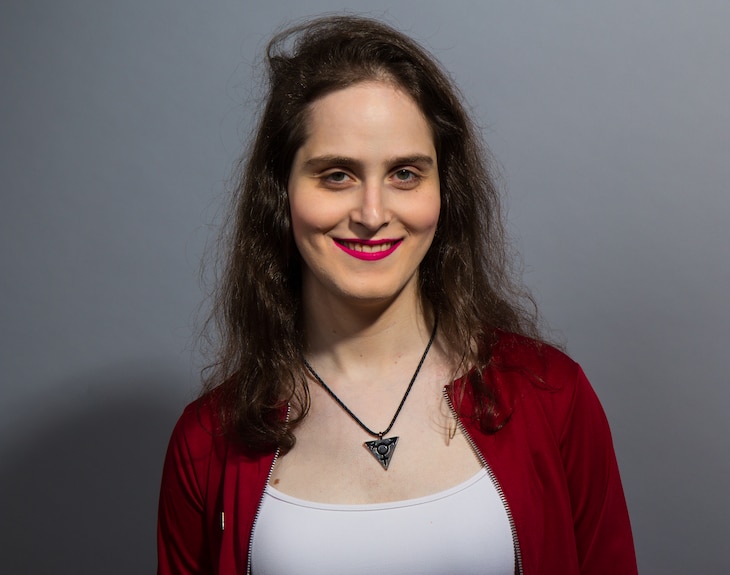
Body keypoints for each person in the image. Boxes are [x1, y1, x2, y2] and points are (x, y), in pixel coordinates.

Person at [157, 15, 637, 575]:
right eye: (336, 174)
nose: (372, 214)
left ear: (443, 192)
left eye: (405, 173)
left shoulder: (553, 395)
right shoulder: (206, 442)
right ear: (281, 194)